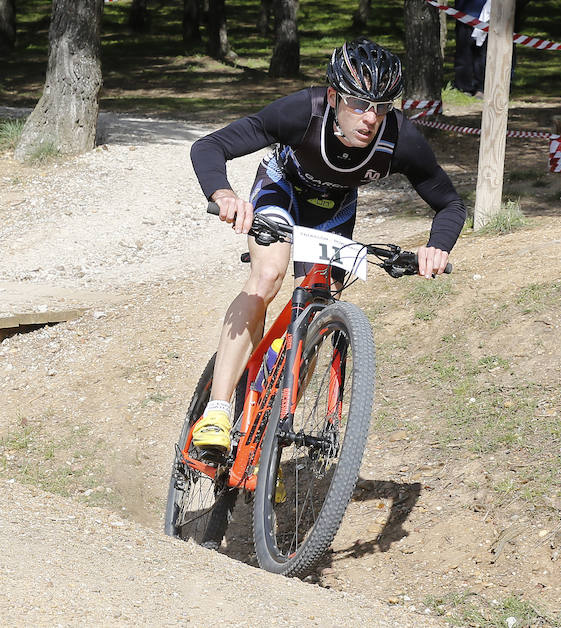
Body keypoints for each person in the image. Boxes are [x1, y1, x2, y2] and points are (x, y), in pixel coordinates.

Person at [189, 39, 466, 453]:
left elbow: (450, 203)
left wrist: (437, 247)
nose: (371, 118)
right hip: (281, 191)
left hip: (334, 212)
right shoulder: (303, 111)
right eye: (358, 103)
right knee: (268, 275)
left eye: (382, 106)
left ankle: (267, 440)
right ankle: (218, 409)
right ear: (334, 96)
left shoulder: (400, 139)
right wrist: (224, 194)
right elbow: (210, 146)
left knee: (318, 312)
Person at [453, 0, 493, 96]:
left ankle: (480, 86)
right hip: (464, 18)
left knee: (481, 54)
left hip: (484, 19)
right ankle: (464, 86)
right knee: (464, 52)